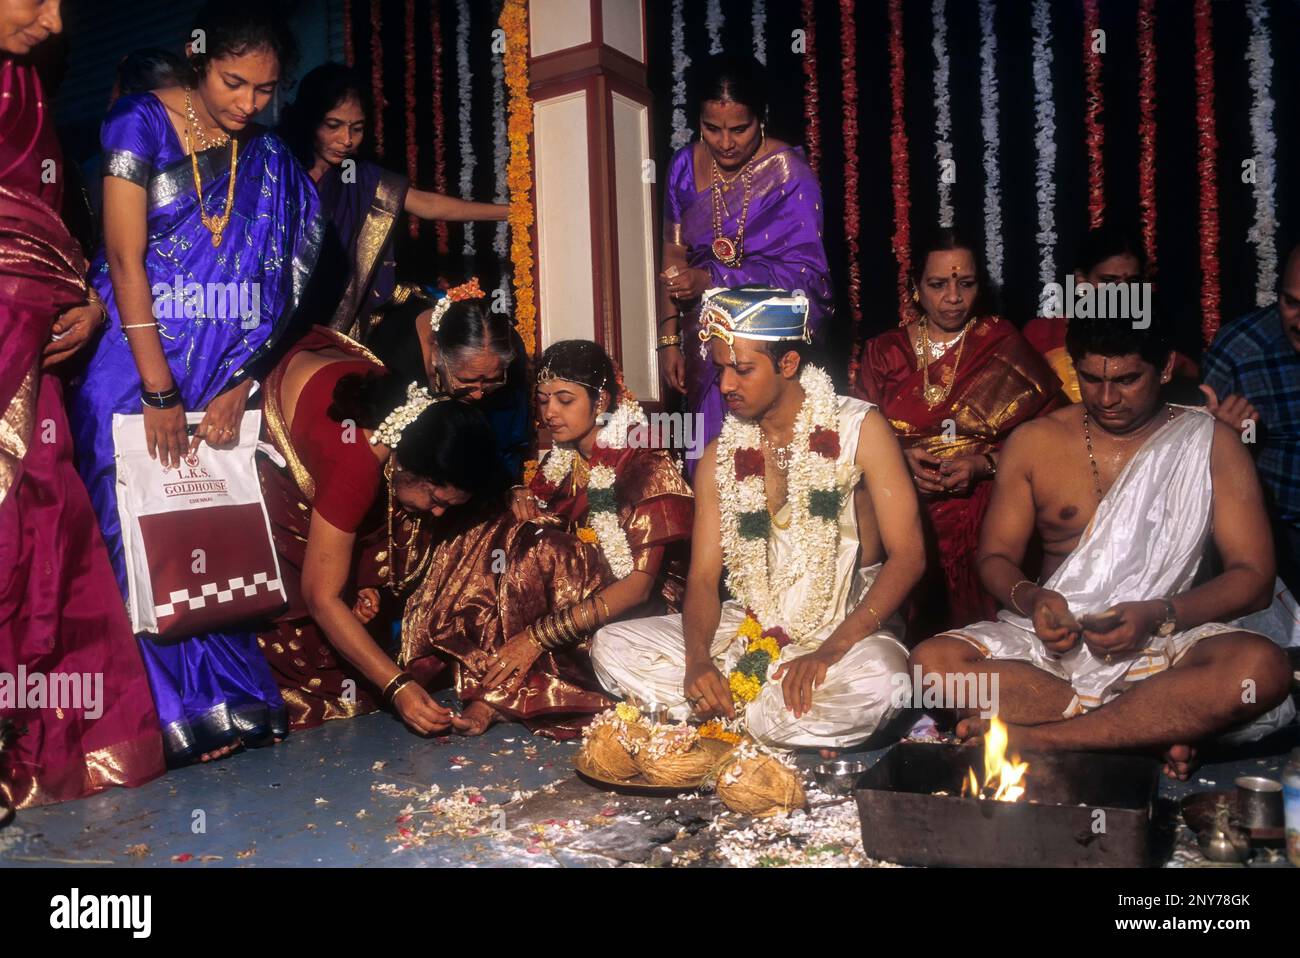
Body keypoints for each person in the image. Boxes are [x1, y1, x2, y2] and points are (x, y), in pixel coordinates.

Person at [67, 2, 322, 765]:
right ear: (197, 58)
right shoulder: (137, 125)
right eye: (232, 82)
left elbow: (280, 285)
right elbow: (123, 259)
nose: (247, 104)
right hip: (132, 363)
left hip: (217, 368)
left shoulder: (270, 159)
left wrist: (239, 380)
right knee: (132, 526)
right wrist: (157, 389)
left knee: (207, 526)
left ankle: (226, 699)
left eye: (264, 90)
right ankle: (161, 712)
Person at [909, 315, 1297, 780]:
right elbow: (995, 557)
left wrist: (1157, 614)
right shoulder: (1035, 441)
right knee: (931, 665)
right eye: (1091, 379)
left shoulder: (1211, 443)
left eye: (1127, 380)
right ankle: (1140, 734)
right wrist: (1033, 599)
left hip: (1169, 637)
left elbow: (1253, 579)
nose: (1107, 398)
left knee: (1262, 669)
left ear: (1166, 367)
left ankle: (1040, 737)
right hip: (1055, 648)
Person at [593, 288, 925, 755]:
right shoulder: (719, 458)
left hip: (846, 628)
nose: (726, 385)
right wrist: (695, 664)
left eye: (743, 369)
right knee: (612, 645)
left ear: (788, 364)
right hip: (751, 625)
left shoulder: (859, 429)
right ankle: (756, 714)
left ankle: (726, 718)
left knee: (884, 681)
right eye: (721, 368)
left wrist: (830, 650)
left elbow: (909, 557)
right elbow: (705, 579)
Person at [0, 0, 165, 812]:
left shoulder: (25, 87)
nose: (57, 18)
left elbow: (47, 230)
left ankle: (35, 751)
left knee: (49, 544)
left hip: (32, 360)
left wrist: (85, 303)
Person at [401, 340, 694, 739]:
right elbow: (544, 520)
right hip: (581, 591)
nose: (550, 412)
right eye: (542, 400)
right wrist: (516, 496)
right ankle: (482, 674)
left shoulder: (647, 462)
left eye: (564, 400)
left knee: (542, 549)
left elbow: (640, 587)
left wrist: (536, 638)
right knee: (499, 529)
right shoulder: (564, 459)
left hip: (649, 606)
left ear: (601, 400)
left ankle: (497, 689)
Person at [257, 306, 506, 733]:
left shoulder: (413, 422)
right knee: (333, 681)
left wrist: (366, 576)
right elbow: (320, 596)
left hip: (327, 393)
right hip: (283, 409)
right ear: (409, 468)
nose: (439, 512)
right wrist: (398, 688)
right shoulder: (355, 467)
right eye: (436, 498)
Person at [854, 228, 1060, 635]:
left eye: (965, 284)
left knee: (981, 634)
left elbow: (1052, 439)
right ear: (915, 288)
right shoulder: (884, 352)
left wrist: (982, 465)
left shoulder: (1001, 342)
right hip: (900, 505)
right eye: (937, 285)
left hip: (983, 506)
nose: (952, 298)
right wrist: (896, 464)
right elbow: (852, 439)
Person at [656, 54, 832, 476]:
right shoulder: (683, 167)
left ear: (761, 118)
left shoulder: (791, 176)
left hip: (766, 353)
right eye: (712, 128)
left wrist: (712, 277)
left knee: (768, 473)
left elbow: (809, 279)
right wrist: (668, 339)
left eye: (740, 128)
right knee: (711, 468)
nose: (725, 142)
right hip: (704, 344)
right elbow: (672, 255)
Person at [280, 63, 508, 342]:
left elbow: (427, 205)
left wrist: (509, 212)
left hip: (333, 318)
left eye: (357, 128)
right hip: (276, 307)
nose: (346, 140)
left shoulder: (360, 177)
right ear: (309, 119)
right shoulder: (277, 168)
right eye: (333, 125)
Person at [1202, 241, 1300, 596]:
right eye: (1291, 303)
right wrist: (1229, 439)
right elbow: (1198, 464)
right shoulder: (1241, 351)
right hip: (1283, 534)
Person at [366, 281, 530, 480]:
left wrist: (511, 484)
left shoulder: (506, 347)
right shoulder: (392, 361)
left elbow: (507, 433)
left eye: (492, 380)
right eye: (466, 380)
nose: (478, 394)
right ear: (436, 352)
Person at [1024, 224, 1199, 404]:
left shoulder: (1152, 335)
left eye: (1132, 281)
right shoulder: (1042, 333)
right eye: (1109, 281)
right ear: (1081, 281)